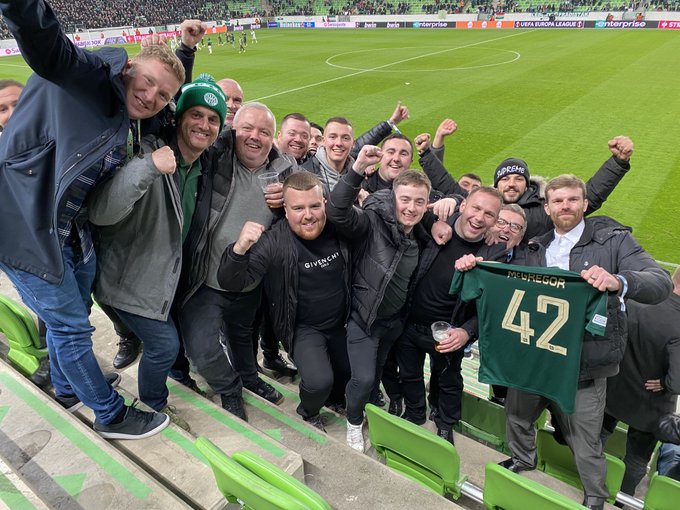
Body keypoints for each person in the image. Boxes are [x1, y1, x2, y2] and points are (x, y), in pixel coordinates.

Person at [0, 0, 185, 439]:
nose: (151, 98)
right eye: (149, 84)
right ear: (129, 68)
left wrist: (185, 54)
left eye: (162, 96)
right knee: (70, 325)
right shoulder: (86, 76)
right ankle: (110, 415)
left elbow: (168, 102)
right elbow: (46, 44)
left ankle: (67, 387)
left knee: (75, 313)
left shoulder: (127, 109)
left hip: (69, 229)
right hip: (25, 226)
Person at [496, 174, 672, 510]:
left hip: (585, 362)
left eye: (572, 200)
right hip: (536, 356)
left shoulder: (613, 241)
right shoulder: (535, 245)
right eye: (558, 201)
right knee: (517, 415)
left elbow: (660, 283)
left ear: (585, 204)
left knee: (585, 439)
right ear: (547, 208)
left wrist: (619, 281)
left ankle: (595, 495)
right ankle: (523, 460)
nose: (565, 206)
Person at [89, 76, 228, 432]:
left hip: (163, 277)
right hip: (127, 278)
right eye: (196, 114)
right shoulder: (146, 151)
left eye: (213, 119)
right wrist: (149, 166)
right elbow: (102, 211)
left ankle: (166, 383)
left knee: (171, 342)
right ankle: (154, 405)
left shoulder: (204, 164)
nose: (204, 124)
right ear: (179, 118)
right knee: (165, 344)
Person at [178, 102, 297, 421]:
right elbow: (188, 127)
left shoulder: (285, 171)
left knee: (243, 338)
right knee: (203, 351)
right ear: (233, 129)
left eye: (264, 132)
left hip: (249, 281)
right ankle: (229, 389)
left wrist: (287, 200)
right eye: (247, 128)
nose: (254, 137)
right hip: (205, 280)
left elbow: (310, 207)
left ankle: (249, 378)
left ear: (274, 138)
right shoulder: (215, 156)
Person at [218, 172, 351, 431]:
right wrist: (239, 249)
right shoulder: (274, 241)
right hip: (303, 328)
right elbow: (232, 282)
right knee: (318, 382)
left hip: (342, 322)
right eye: (298, 208)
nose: (308, 215)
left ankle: (335, 401)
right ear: (286, 211)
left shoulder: (339, 227)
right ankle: (308, 410)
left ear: (325, 202)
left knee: (346, 373)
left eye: (314, 205)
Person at [326, 145, 436, 452]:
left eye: (419, 202)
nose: (411, 208)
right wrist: (357, 169)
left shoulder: (421, 237)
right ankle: (353, 420)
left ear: (427, 204)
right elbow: (336, 212)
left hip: (393, 323)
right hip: (364, 320)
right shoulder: (373, 222)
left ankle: (368, 407)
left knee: (374, 376)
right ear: (394, 197)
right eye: (405, 199)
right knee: (362, 378)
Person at [397, 186, 504, 444]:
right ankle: (414, 413)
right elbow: (408, 205)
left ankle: (444, 423)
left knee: (448, 380)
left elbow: (491, 306)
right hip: (410, 323)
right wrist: (436, 217)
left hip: (449, 332)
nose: (480, 218)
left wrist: (466, 332)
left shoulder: (494, 253)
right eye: (476, 208)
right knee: (409, 373)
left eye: (489, 214)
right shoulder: (437, 228)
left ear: (495, 221)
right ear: (463, 205)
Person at [600, 266, 680, 496]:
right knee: (636, 460)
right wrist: (664, 383)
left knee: (595, 441)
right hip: (647, 408)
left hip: (613, 390)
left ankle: (589, 483)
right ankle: (618, 498)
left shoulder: (637, 300)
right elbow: (677, 382)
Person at [493, 136, 634, 239]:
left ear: (527, 185)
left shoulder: (545, 208)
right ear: (496, 184)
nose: (511, 183)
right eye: (505, 179)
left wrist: (618, 162)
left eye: (518, 179)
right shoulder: (484, 207)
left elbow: (590, 195)